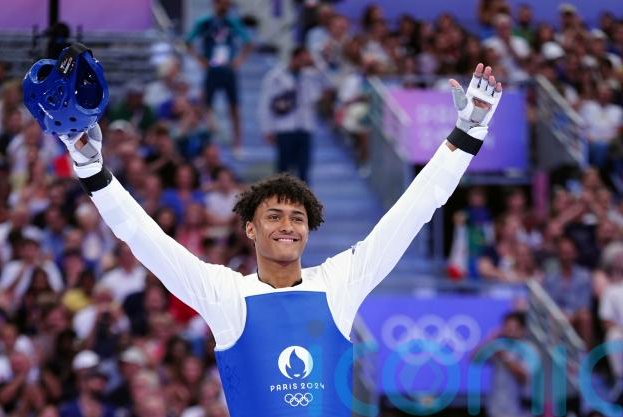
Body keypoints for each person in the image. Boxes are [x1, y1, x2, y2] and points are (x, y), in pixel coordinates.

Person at [52, 63, 502, 416]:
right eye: (274, 216)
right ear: (250, 228)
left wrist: (467, 134)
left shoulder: (339, 283)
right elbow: (144, 238)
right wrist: (93, 171)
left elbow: (413, 211)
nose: (288, 225)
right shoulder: (225, 294)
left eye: (297, 218)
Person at [186, 0, 252, 156]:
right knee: (206, 107)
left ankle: (237, 144)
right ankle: (209, 143)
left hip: (228, 68)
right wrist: (199, 60)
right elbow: (188, 41)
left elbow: (248, 42)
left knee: (234, 107)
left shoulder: (232, 22)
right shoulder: (205, 22)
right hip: (212, 68)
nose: (225, 6)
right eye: (223, 3)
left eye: (228, 4)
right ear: (215, 3)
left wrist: (239, 61)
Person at [258, 46, 324, 183]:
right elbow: (266, 104)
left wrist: (316, 64)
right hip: (284, 127)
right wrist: (267, 129)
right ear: (294, 57)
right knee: (283, 170)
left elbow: (323, 89)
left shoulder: (310, 75)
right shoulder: (275, 76)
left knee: (304, 170)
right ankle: (281, 196)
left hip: (304, 126)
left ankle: (304, 197)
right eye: (302, 59)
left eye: (306, 59)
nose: (304, 62)